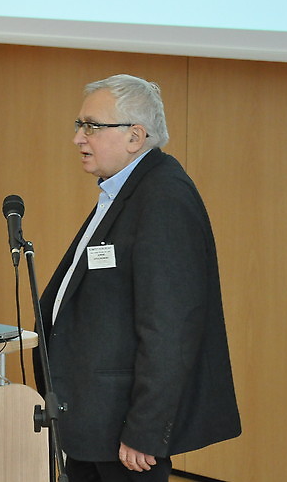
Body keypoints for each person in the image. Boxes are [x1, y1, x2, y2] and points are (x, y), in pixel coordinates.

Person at [37, 74, 240, 482]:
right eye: (79, 125)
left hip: (125, 432)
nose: (78, 138)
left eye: (91, 126)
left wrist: (147, 429)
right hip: (93, 421)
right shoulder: (124, 192)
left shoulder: (164, 199)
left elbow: (171, 329)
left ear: (135, 136)